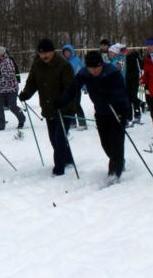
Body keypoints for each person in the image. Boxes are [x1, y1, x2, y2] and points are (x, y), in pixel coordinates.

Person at [57, 50, 132, 185]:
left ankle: (115, 170)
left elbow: (122, 92)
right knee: (105, 143)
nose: (93, 71)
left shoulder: (112, 72)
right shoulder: (85, 73)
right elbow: (73, 88)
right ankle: (118, 160)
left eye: (96, 68)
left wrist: (112, 98)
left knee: (116, 141)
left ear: (101, 64)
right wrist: (62, 101)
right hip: (101, 111)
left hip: (117, 110)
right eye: (90, 68)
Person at [18, 38, 78, 176]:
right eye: (41, 53)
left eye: (47, 53)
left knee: (59, 138)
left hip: (64, 108)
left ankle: (59, 167)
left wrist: (62, 101)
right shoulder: (37, 65)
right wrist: (26, 94)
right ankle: (67, 158)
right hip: (48, 108)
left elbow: (70, 89)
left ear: (53, 51)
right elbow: (32, 82)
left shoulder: (64, 66)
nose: (44, 56)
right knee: (54, 139)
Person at [0, 45, 26, 131]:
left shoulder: (8, 61)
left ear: (1, 54)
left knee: (12, 106)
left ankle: (21, 118)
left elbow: (10, 74)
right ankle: (1, 125)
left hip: (11, 88)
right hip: (0, 89)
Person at [60, 45, 87, 130]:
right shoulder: (63, 62)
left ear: (71, 52)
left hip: (76, 86)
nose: (67, 54)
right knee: (69, 105)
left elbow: (83, 74)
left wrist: (84, 87)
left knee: (77, 104)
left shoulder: (77, 61)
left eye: (68, 52)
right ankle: (72, 122)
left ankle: (82, 123)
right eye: (65, 52)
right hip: (67, 87)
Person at [124, 45, 145, 125]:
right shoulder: (122, 58)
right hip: (126, 81)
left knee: (135, 98)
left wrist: (139, 56)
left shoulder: (135, 57)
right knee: (127, 99)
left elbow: (142, 67)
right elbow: (120, 69)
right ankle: (129, 117)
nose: (126, 52)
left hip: (135, 80)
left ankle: (137, 115)